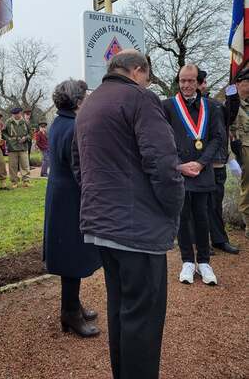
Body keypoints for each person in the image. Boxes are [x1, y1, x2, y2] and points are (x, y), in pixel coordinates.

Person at [72, 50, 184, 378]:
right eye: (146, 77)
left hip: (101, 226)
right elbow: (163, 165)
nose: (146, 82)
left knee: (121, 309)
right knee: (143, 320)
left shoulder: (88, 105)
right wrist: (173, 207)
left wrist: (102, 202)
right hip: (137, 229)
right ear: (138, 71)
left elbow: (79, 166)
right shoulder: (140, 99)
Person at [44, 79, 102, 338]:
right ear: (79, 102)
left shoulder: (60, 121)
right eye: (86, 96)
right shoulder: (74, 126)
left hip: (61, 196)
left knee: (70, 254)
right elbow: (81, 168)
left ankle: (73, 304)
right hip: (71, 199)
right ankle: (69, 312)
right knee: (72, 257)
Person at [163, 64, 222, 286]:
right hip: (179, 171)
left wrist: (200, 162)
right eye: (182, 81)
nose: (186, 85)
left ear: (198, 82)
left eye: (191, 81)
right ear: (178, 81)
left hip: (202, 171)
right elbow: (162, 138)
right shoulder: (167, 106)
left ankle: (205, 261)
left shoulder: (211, 106)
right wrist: (179, 164)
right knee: (183, 217)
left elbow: (217, 138)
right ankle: (187, 260)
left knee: (203, 216)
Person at [197, 70, 239, 254]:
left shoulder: (214, 105)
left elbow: (229, 116)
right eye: (201, 81)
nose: (204, 84)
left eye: (204, 81)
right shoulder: (189, 107)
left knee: (215, 204)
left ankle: (219, 239)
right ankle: (200, 241)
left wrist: (232, 94)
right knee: (198, 206)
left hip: (217, 163)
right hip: (198, 164)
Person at [230, 67, 249, 238]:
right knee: (247, 187)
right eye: (247, 82)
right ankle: (248, 223)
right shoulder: (232, 105)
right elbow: (228, 131)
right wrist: (232, 158)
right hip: (243, 149)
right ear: (238, 84)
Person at [3, 108, 31, 188]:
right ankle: (14, 182)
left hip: (23, 147)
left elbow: (30, 133)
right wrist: (8, 139)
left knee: (25, 165)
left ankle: (26, 181)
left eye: (17, 114)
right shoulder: (8, 122)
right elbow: (4, 133)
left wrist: (25, 138)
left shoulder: (25, 122)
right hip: (12, 147)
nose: (16, 115)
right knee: (12, 166)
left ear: (20, 113)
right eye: (14, 114)